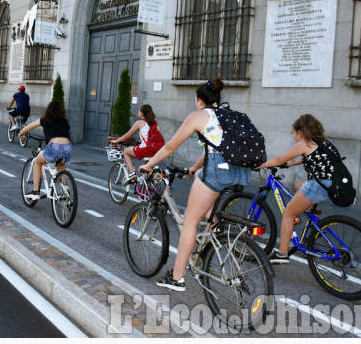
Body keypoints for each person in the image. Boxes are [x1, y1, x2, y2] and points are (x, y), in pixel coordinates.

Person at [140, 78, 252, 292]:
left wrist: (149, 164)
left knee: (190, 222)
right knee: (209, 218)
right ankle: (213, 250)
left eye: (195, 99)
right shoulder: (228, 115)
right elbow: (213, 148)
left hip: (217, 172)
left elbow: (171, 145)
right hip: (239, 171)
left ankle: (177, 278)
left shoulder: (199, 116)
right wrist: (194, 167)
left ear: (200, 100)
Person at [254, 114, 338, 264]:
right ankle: (313, 225)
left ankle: (282, 254)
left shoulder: (304, 143)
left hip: (318, 186)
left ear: (301, 132)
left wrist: (261, 165)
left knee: (288, 214)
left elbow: (280, 159)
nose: (293, 136)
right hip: (331, 184)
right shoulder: (322, 143)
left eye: (293, 133)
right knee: (298, 186)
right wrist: (292, 164)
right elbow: (311, 158)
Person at [18, 100, 72, 201]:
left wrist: (21, 133)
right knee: (60, 163)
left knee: (38, 162)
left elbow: (29, 127)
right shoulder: (65, 121)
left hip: (54, 147)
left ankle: (35, 192)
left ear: (49, 109)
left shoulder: (45, 119)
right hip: (67, 148)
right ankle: (64, 186)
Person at [111, 104, 162, 185]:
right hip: (155, 151)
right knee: (145, 171)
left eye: (139, 111)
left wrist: (116, 141)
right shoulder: (155, 123)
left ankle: (132, 174)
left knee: (126, 151)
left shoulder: (139, 123)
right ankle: (146, 189)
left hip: (145, 149)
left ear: (141, 113)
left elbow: (127, 135)